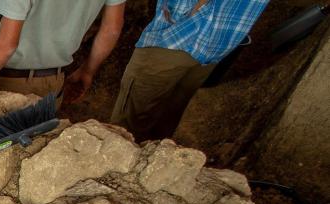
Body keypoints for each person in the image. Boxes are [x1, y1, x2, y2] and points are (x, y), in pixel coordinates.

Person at [110, 0, 272, 141]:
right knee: (164, 122)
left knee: (125, 129)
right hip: (217, 43)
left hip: (179, 34)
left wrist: (183, 12)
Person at [0, 0, 127, 100]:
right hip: (55, 83)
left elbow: (5, 46)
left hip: (10, 83)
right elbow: (112, 29)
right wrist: (88, 71)